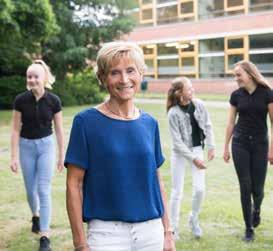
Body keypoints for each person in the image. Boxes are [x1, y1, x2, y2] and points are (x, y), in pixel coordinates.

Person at [65, 41, 175, 251]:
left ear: (141, 74)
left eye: (130, 70)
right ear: (103, 78)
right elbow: (73, 185)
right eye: (115, 73)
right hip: (107, 235)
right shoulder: (86, 122)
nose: (124, 80)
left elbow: (156, 179)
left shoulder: (149, 123)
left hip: (150, 232)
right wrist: (80, 244)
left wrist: (167, 230)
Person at [10, 60, 65, 251]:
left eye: (36, 76)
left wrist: (61, 155)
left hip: (46, 147)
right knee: (30, 191)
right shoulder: (20, 100)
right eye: (29, 76)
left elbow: (59, 130)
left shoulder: (54, 101)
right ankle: (35, 214)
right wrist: (14, 156)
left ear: (45, 78)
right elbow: (15, 130)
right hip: (26, 147)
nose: (32, 80)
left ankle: (45, 235)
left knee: (44, 190)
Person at [223, 60, 273, 242]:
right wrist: (226, 147)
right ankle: (248, 228)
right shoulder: (236, 95)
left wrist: (272, 149)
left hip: (260, 145)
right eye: (235, 76)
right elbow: (230, 123)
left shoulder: (267, 93)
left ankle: (256, 209)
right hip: (240, 143)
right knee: (245, 186)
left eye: (238, 75)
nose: (236, 79)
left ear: (250, 75)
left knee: (257, 189)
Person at [167, 77, 215, 240]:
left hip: (197, 149)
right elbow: (177, 142)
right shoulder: (173, 113)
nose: (192, 90)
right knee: (176, 191)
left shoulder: (199, 104)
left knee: (200, 189)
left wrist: (211, 146)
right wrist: (193, 159)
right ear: (180, 93)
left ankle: (193, 219)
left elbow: (208, 125)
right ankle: (173, 228)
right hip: (179, 153)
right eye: (189, 88)